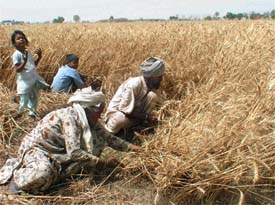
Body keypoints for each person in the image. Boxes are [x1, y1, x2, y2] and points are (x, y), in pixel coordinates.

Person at [0, 87, 140, 193]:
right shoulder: (70, 119)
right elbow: (74, 153)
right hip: (38, 150)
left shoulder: (88, 120)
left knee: (96, 143)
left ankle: (57, 172)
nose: (100, 116)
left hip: (58, 152)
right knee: (44, 173)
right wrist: (98, 162)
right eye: (99, 113)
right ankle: (18, 181)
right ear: (89, 110)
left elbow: (109, 138)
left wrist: (134, 149)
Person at [104, 57, 165, 136]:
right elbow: (124, 110)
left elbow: (162, 104)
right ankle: (109, 134)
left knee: (152, 96)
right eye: (159, 77)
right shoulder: (134, 84)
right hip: (117, 114)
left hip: (134, 116)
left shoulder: (151, 86)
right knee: (120, 119)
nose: (161, 79)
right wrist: (147, 117)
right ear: (152, 77)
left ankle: (136, 127)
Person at [11, 30, 49, 118]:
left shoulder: (27, 53)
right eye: (18, 38)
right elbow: (17, 69)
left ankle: (32, 114)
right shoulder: (16, 55)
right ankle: (19, 116)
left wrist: (39, 57)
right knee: (24, 101)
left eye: (23, 38)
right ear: (14, 43)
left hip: (32, 80)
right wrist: (24, 61)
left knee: (34, 99)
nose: (21, 40)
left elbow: (32, 65)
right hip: (24, 82)